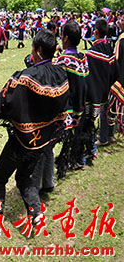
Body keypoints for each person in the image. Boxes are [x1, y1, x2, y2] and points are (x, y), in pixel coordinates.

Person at [0, 30, 69, 237]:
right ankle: (36, 211)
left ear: (39, 50)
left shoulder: (25, 78)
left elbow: (3, 101)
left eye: (33, 48)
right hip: (43, 142)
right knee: (24, 178)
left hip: (21, 141)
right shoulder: (61, 74)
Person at [52, 20, 89, 178]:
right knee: (74, 136)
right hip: (81, 105)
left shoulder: (63, 61)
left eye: (61, 35)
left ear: (65, 38)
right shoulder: (82, 58)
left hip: (67, 107)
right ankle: (75, 159)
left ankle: (61, 164)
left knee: (61, 136)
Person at [85, 18, 118, 153]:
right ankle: (108, 134)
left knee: (100, 114)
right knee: (107, 111)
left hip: (96, 90)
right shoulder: (110, 49)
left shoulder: (91, 53)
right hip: (108, 87)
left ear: (96, 32)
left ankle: (103, 137)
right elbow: (115, 70)